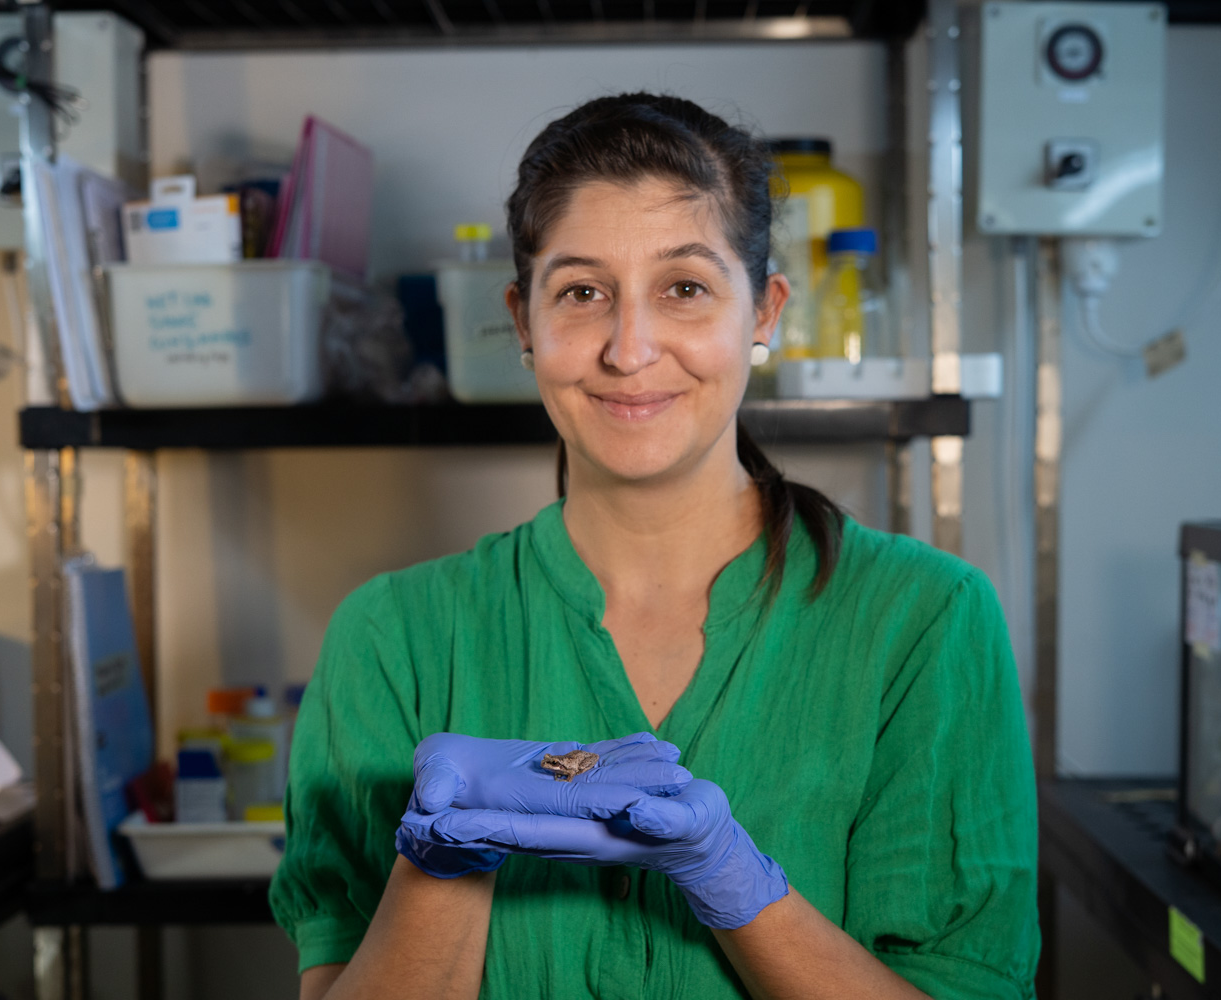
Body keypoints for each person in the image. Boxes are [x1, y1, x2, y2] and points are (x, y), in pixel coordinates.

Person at [269, 92, 1039, 1000]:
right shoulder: (390, 639)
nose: (630, 350)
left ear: (763, 313)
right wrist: (443, 865)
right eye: (583, 293)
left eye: (684, 288)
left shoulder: (925, 622)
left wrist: (736, 885)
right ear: (524, 322)